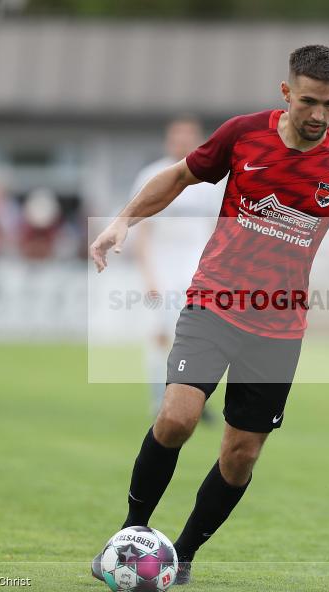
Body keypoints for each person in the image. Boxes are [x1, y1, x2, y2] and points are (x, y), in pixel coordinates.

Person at [88, 45, 329, 586]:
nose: (318, 115)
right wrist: (124, 221)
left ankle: (181, 556)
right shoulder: (243, 135)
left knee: (240, 455)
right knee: (176, 419)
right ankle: (129, 537)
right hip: (214, 302)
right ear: (286, 93)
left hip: (279, 327)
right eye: (308, 101)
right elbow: (180, 176)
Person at [130, 116, 225, 419]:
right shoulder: (152, 175)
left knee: (197, 336)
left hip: (196, 269)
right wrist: (147, 274)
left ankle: (192, 397)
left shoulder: (210, 180)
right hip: (162, 267)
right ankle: (160, 398)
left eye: (189, 136)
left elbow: (216, 230)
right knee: (160, 333)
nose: (182, 142)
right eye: (177, 136)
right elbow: (141, 230)